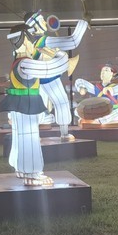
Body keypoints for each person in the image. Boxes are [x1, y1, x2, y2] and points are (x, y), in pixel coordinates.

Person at [0, 23, 70, 187]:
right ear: (24, 40)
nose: (33, 45)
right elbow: (53, 68)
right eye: (31, 41)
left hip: (21, 106)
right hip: (26, 107)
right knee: (29, 139)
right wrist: (59, 54)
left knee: (21, 138)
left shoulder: (18, 62)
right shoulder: (25, 63)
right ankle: (32, 174)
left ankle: (22, 169)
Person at [24, 10, 88, 142]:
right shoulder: (43, 40)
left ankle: (34, 135)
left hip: (39, 79)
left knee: (39, 107)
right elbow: (72, 41)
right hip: (48, 78)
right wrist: (84, 22)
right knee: (61, 102)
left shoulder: (32, 41)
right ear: (34, 26)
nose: (44, 22)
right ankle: (64, 134)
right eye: (41, 20)